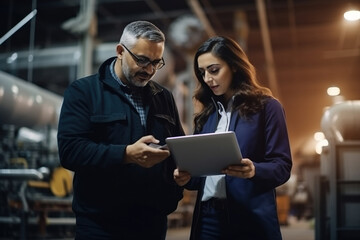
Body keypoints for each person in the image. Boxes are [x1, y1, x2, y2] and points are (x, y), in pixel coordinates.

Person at [57, 21, 185, 240]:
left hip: (152, 222)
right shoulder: (84, 92)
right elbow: (71, 151)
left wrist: (179, 181)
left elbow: (179, 147)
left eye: (157, 62)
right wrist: (125, 154)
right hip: (101, 225)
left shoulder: (163, 97)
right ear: (119, 51)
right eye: (142, 60)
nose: (150, 70)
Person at [173, 36, 292, 240]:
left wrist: (254, 170)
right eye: (202, 73)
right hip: (208, 218)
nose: (208, 79)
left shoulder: (267, 107)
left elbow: (282, 166)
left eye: (214, 70)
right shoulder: (207, 116)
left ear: (234, 66)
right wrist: (185, 177)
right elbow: (198, 177)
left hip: (249, 218)